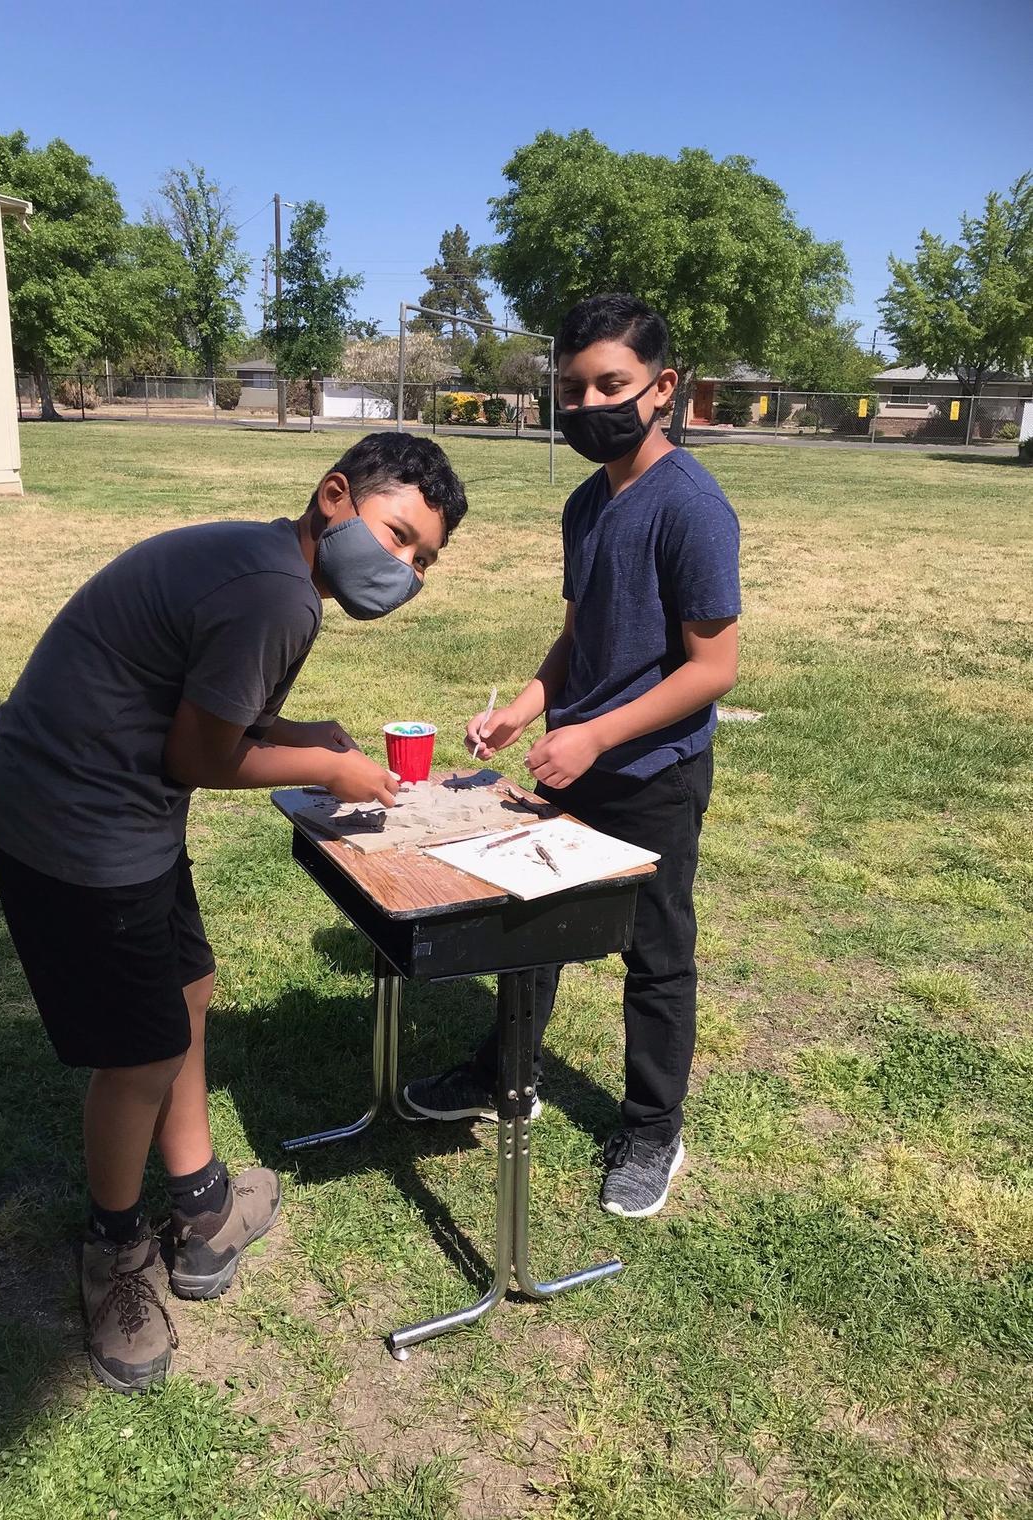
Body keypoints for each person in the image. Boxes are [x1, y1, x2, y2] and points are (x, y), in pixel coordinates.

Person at [0, 432, 468, 1392]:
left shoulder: (266, 563)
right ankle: (115, 1252)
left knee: (191, 985)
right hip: (70, 823)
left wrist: (297, 731)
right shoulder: (276, 593)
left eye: (423, 561)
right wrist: (331, 765)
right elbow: (198, 757)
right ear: (334, 498)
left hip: (125, 814)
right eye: (399, 535)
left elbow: (204, 712)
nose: (404, 569)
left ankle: (199, 1200)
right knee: (142, 1050)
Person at [405, 294, 740, 1219]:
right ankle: (502, 1071)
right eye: (572, 389)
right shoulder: (583, 503)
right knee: (529, 924)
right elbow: (577, 640)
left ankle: (651, 1129)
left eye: (612, 385)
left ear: (663, 389)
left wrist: (596, 732)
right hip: (572, 763)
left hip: (654, 774)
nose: (589, 404)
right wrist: (524, 710)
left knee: (657, 951)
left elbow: (714, 665)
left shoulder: (693, 508)